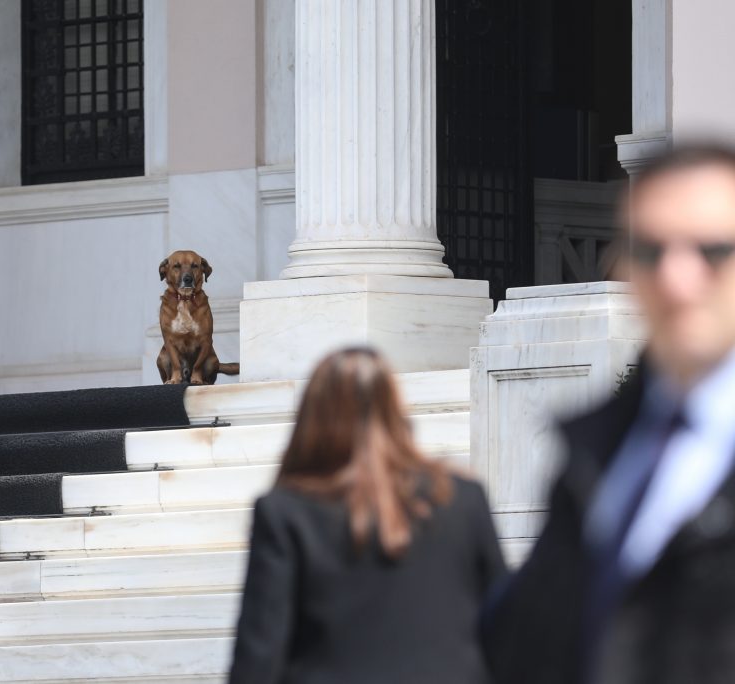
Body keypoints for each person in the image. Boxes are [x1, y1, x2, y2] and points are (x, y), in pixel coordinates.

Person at [483, 144, 735, 684]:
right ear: (623, 267)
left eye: (712, 251)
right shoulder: (593, 456)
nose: (678, 279)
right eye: (651, 251)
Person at [228, 347, 506, 683]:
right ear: (396, 411)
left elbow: (259, 658)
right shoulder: (461, 499)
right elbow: (506, 630)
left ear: (312, 418)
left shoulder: (285, 513)